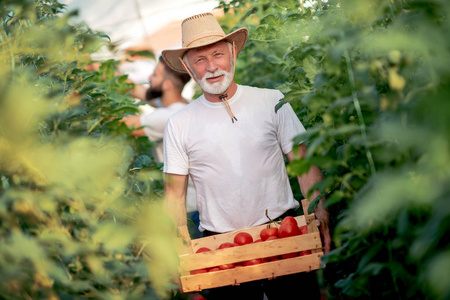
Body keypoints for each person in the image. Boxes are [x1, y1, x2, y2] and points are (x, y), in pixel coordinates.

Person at [162, 13, 331, 299]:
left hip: (285, 233)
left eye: (218, 54)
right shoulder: (179, 124)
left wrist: (322, 213)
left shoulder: (271, 100)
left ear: (233, 52)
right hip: (220, 248)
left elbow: (303, 164)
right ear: (188, 68)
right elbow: (174, 195)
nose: (212, 67)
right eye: (200, 60)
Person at [121, 56, 201, 239]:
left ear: (167, 85)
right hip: (196, 206)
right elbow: (141, 92)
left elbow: (124, 124)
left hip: (188, 212)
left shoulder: (168, 117)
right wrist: (99, 68)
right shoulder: (185, 105)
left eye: (155, 75)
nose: (149, 78)